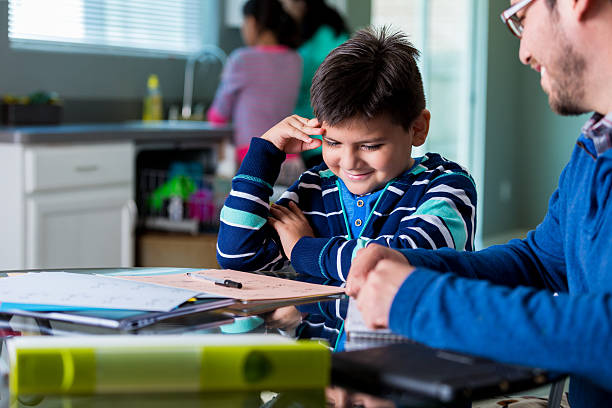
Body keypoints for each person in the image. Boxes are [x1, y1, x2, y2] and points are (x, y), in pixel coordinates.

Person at [346, 1, 612, 407]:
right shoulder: (594, 145)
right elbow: (539, 263)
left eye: (520, 18)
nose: (523, 53)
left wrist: (420, 299)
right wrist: (411, 264)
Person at [216, 27, 477, 348]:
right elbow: (237, 256)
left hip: (411, 374)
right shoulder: (316, 185)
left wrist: (302, 250)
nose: (349, 162)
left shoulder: (447, 186)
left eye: (370, 145)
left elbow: (401, 262)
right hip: (318, 380)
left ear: (418, 128)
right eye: (333, 142)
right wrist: (266, 152)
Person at [207, 0, 301, 164]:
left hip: (254, 157)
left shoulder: (242, 59)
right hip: (291, 156)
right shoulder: (295, 59)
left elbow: (218, 116)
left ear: (251, 21)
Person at [280, 0, 350, 168]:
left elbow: (294, 84)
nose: (283, 6)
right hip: (336, 130)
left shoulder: (310, 42)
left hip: (314, 134)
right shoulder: (333, 29)